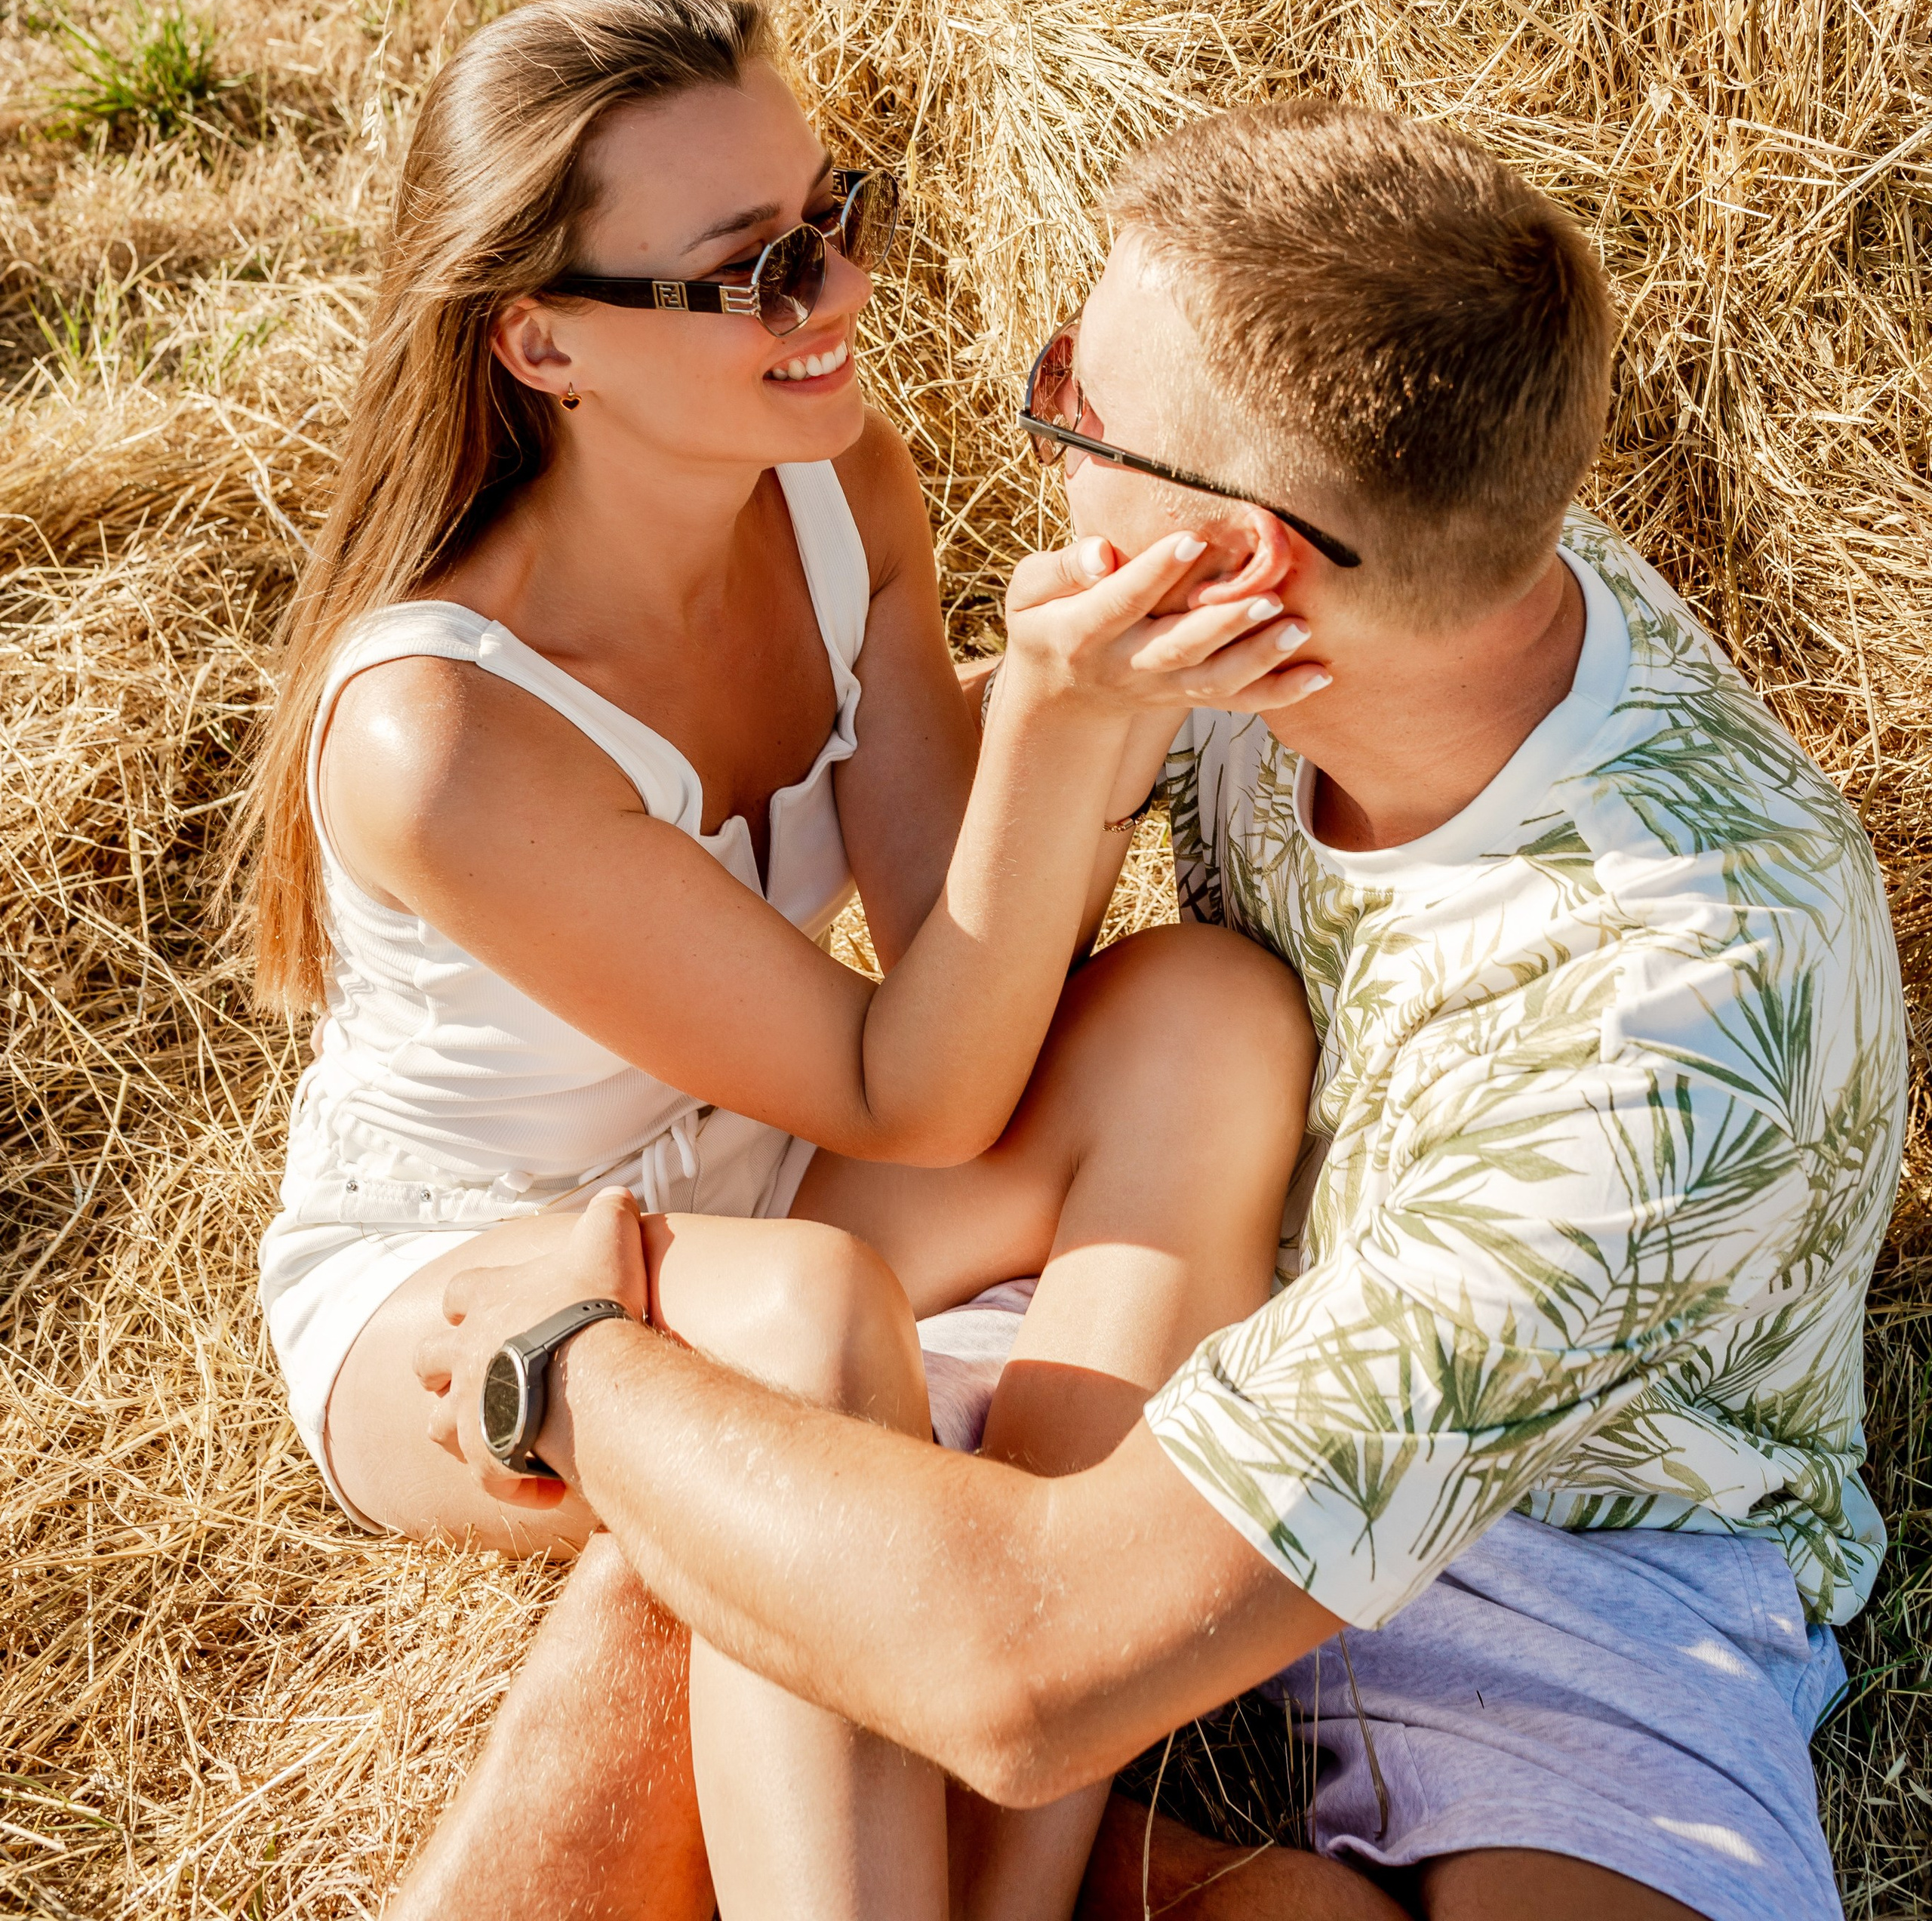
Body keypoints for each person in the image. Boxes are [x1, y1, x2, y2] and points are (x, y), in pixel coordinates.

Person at [416, 99, 1904, 1921]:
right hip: (1188, 1263)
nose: (1033, 417)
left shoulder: (1665, 1040)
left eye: (1070, 405)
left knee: (839, 1567)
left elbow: (1021, 1674)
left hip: (1587, 1524)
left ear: (1236, 563)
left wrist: (572, 1359)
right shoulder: (1377, 590)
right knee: (753, 1538)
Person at [241, 0, 1329, 1921]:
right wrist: (1062, 724)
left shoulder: (838, 481)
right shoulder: (440, 733)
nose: (828, 299)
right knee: (810, 1325)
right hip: (483, 1284)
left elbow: (951, 963)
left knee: (1207, 1022)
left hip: (781, 1171)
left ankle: (1035, 1741)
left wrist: (1112, 694)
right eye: (750, 271)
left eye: (837, 220)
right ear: (538, 337)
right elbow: (909, 1079)